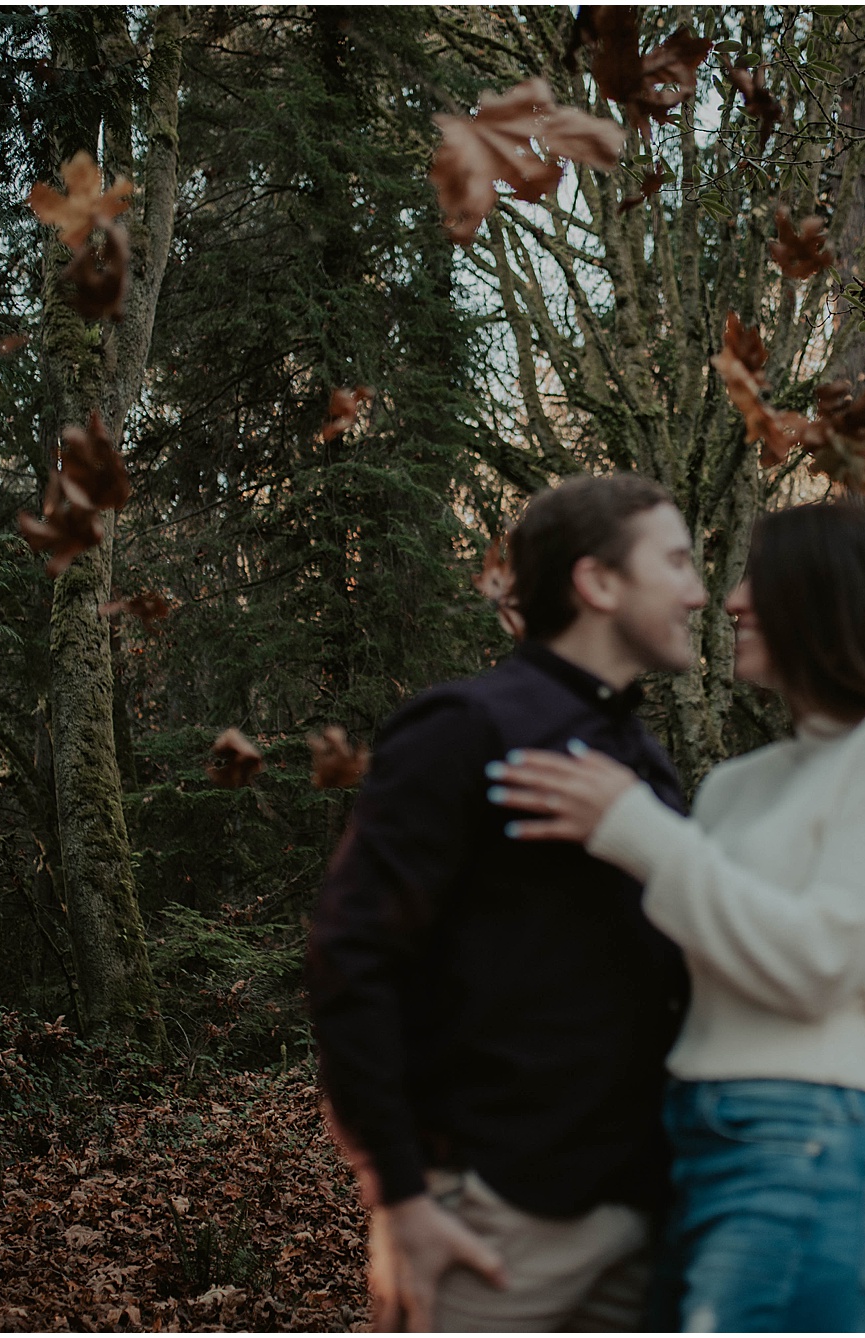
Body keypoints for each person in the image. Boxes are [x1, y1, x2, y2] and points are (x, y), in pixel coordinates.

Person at [490, 501, 865, 1332]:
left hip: (805, 1133)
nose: (733, 600)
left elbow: (823, 961)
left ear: (826, 598)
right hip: (677, 1135)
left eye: (758, 578)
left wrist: (639, 832)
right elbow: (670, 960)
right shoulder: (736, 786)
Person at [308, 473, 707, 1331]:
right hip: (493, 1222)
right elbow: (351, 955)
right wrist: (402, 1194)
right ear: (598, 583)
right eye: (675, 563)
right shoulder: (464, 726)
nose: (697, 591)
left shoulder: (645, 760)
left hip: (647, 1215)